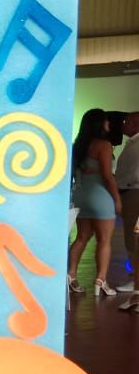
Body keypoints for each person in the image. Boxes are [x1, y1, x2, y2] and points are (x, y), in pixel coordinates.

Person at [68, 108, 122, 298]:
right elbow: (107, 176)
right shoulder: (104, 145)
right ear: (99, 124)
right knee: (104, 240)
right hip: (100, 195)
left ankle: (71, 276)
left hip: (81, 194)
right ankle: (101, 280)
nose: (108, 124)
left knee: (81, 238)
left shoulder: (77, 146)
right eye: (106, 121)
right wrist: (117, 198)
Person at [113, 110, 139, 292]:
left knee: (133, 237)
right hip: (128, 191)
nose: (123, 125)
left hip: (134, 192)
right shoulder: (132, 142)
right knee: (130, 236)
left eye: (126, 122)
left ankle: (136, 280)